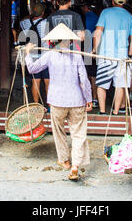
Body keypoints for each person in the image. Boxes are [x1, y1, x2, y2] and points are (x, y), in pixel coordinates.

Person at [25, 24, 92, 181]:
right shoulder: (76, 55)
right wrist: (88, 99)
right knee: (78, 133)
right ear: (69, 41)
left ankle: (65, 161)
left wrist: (28, 53)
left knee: (59, 131)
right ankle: (75, 165)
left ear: (54, 41)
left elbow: (32, 69)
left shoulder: (50, 55)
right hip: (76, 100)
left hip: (57, 100)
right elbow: (84, 80)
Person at [93, 0, 132, 115]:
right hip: (123, 57)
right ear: (125, 2)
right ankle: (116, 112)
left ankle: (102, 111)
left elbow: (98, 32)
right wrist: (129, 54)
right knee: (120, 85)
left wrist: (94, 49)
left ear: (112, 1)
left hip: (106, 55)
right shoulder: (129, 16)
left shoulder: (105, 13)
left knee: (102, 84)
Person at [19, 3, 50, 105]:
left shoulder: (25, 23)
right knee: (47, 81)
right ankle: (49, 105)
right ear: (43, 12)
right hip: (45, 55)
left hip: (32, 55)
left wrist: (30, 16)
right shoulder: (47, 23)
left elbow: (22, 21)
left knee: (35, 82)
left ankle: (36, 105)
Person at [81, 0, 99, 108]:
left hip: (85, 48)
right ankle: (95, 98)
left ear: (86, 7)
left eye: (83, 7)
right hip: (95, 49)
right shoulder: (98, 18)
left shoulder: (84, 18)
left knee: (85, 75)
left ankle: (86, 98)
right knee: (94, 75)